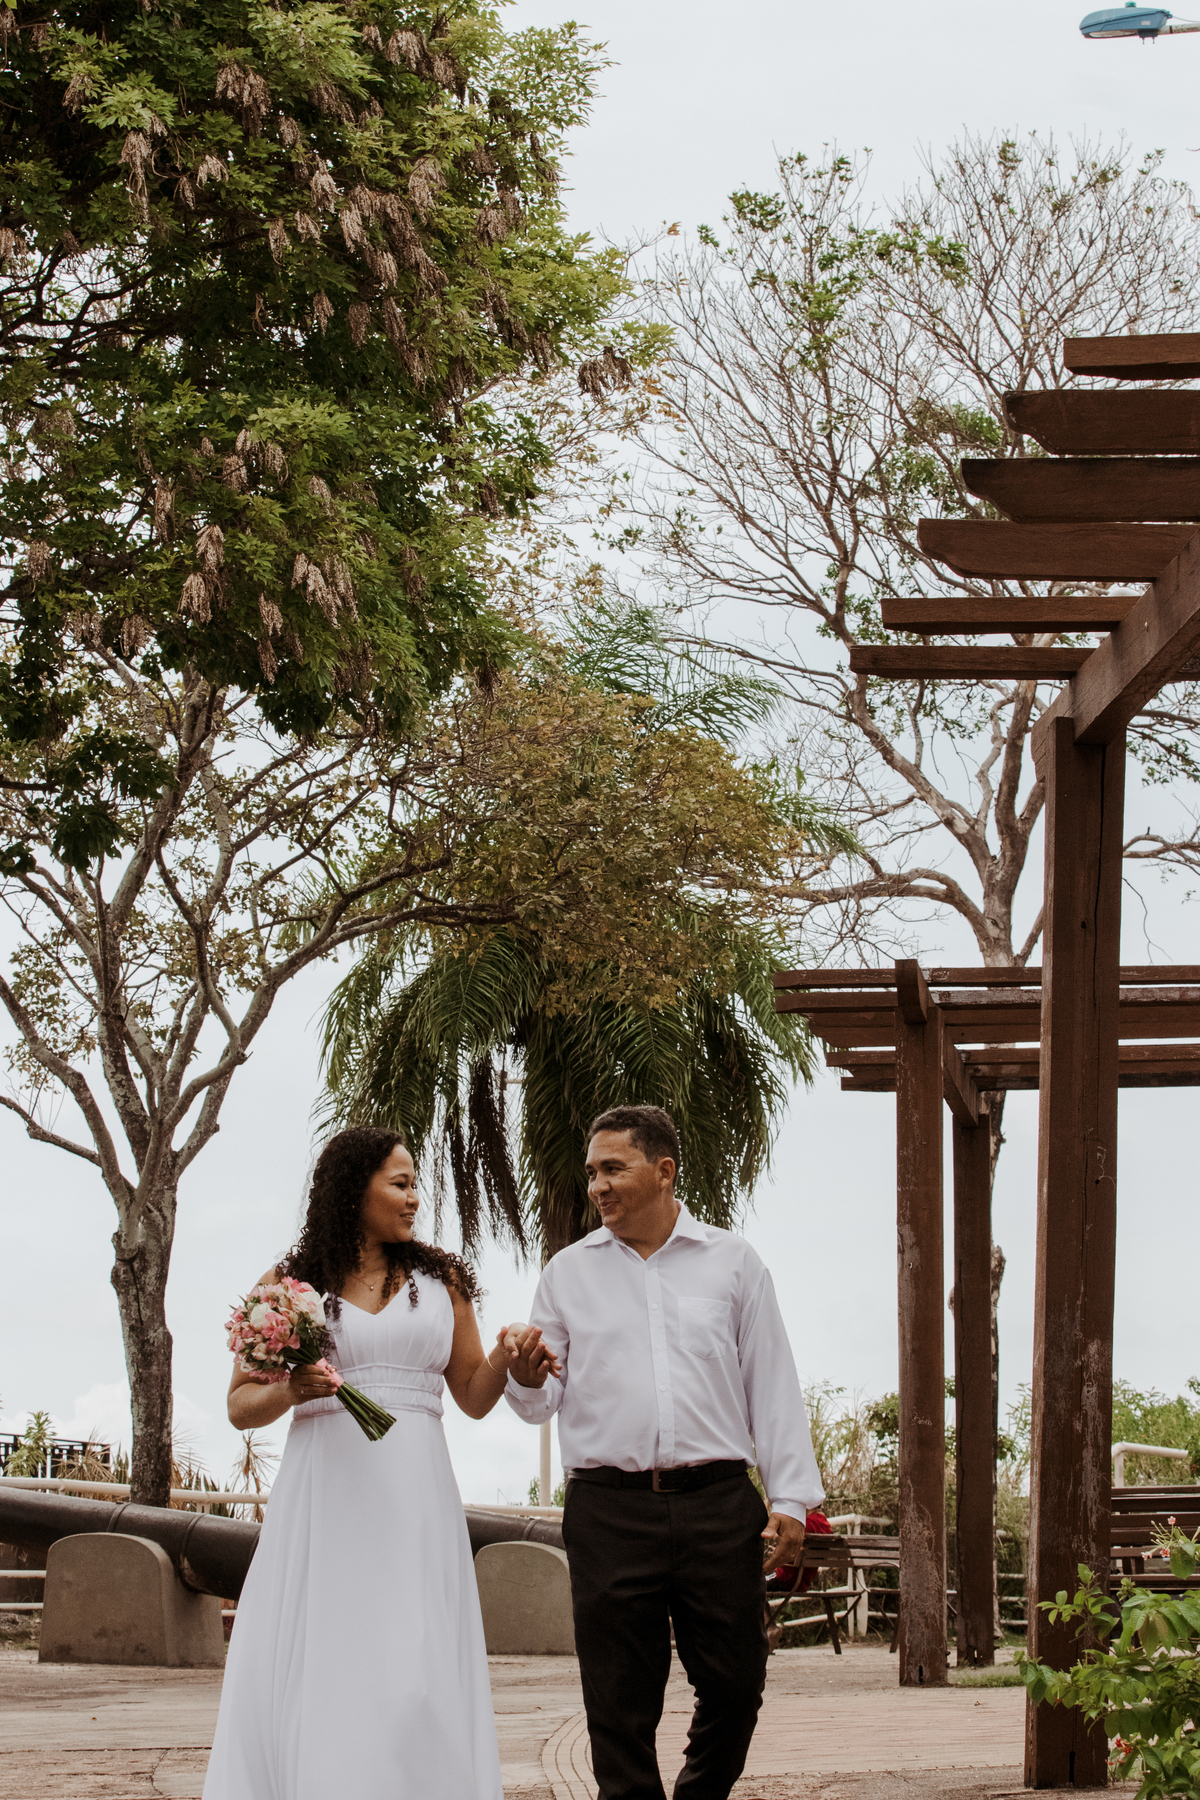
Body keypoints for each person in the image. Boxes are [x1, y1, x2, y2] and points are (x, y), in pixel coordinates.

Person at [203, 1125, 548, 1800]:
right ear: (353, 1187)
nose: (415, 1197)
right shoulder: (290, 1285)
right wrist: (290, 1389)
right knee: (329, 1651)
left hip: (415, 1493)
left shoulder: (442, 1280)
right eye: (400, 1183)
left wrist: (509, 1355)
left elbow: (474, 1397)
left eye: (416, 1183)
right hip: (326, 1489)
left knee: (413, 1660)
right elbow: (240, 1404)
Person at [504, 1104, 823, 1800]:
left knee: (737, 1684)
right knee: (617, 1706)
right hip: (607, 1511)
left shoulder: (733, 1264)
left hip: (719, 1505)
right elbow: (537, 1400)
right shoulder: (566, 1275)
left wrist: (791, 1498)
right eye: (592, 1172)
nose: (597, 1186)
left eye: (612, 1168)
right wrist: (525, 1375)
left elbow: (771, 1382)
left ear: (664, 1170)